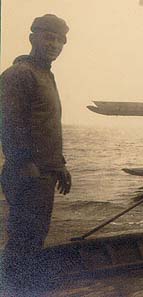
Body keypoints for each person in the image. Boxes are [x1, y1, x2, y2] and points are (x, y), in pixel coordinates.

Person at [0, 14, 71, 295]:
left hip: (43, 173)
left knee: (34, 237)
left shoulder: (45, 74)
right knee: (22, 241)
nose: (54, 44)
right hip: (26, 173)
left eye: (60, 40)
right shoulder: (19, 74)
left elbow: (45, 128)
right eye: (48, 37)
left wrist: (60, 165)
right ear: (32, 38)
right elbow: (8, 124)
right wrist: (24, 163)